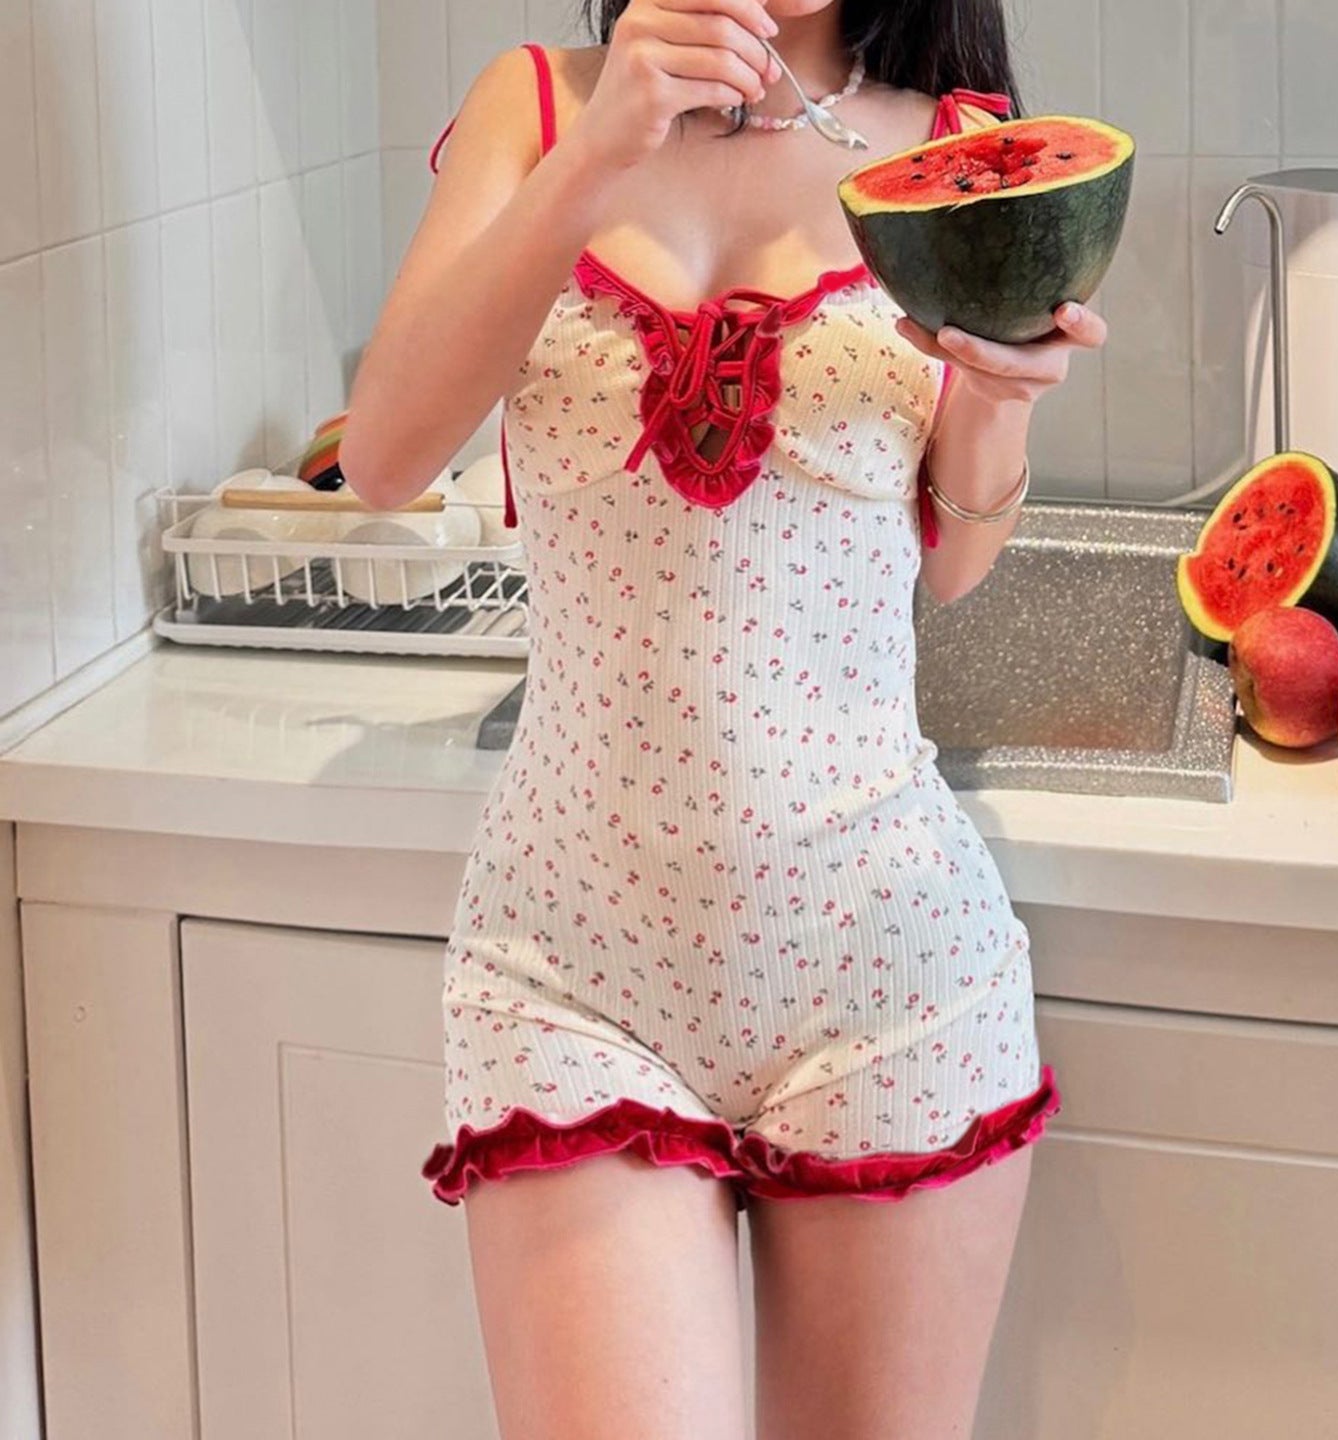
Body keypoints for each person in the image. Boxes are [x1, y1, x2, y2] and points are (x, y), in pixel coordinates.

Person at [340, 2, 1106, 1435]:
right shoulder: (538, 107)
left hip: (889, 968)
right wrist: (603, 147)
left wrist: (1003, 399)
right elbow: (383, 457)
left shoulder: (959, 148)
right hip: (570, 972)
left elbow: (953, 560)